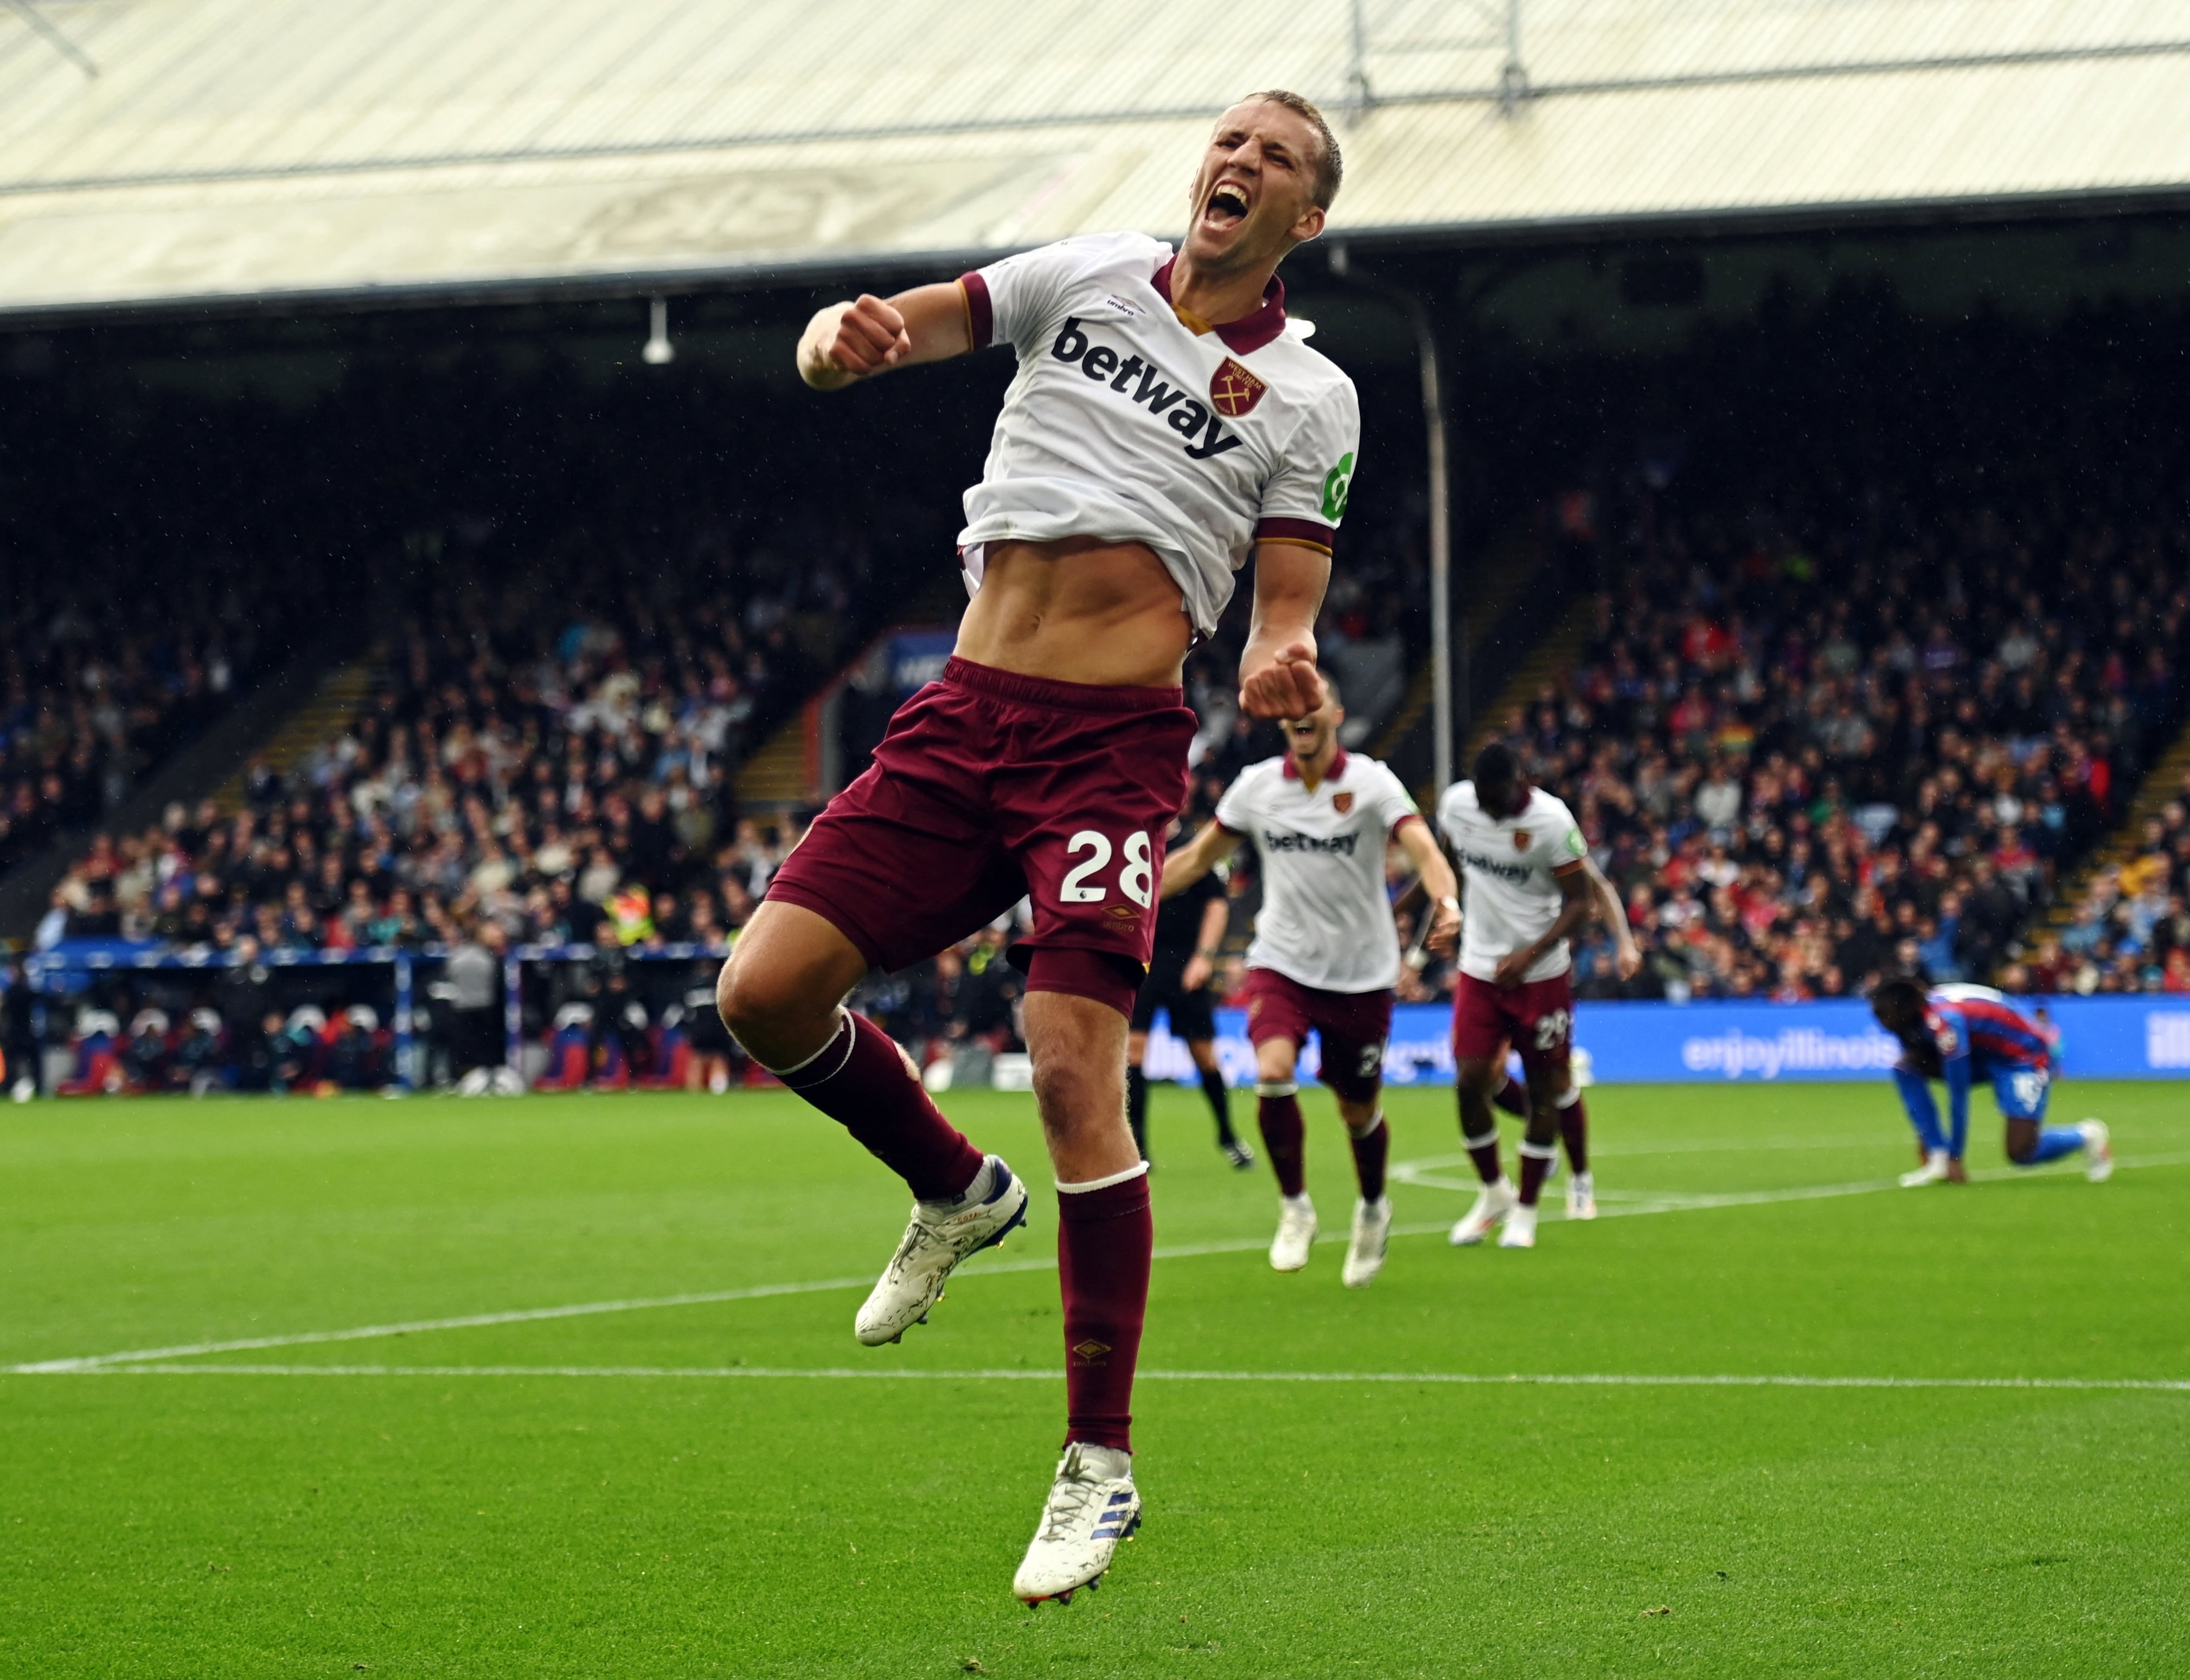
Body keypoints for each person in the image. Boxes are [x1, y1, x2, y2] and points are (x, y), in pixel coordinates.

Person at [714, 91, 1359, 1605]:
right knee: (761, 993)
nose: (1237, 161)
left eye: (1273, 157)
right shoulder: (1082, 277)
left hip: (1108, 748)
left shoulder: (1314, 397)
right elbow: (908, 323)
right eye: (1229, 140)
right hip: (960, 716)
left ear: (1304, 219)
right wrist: (834, 340)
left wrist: (1281, 661)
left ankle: (1097, 1466)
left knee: (1076, 1069)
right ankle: (954, 1189)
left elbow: (1283, 606)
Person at [1158, 676, 1457, 1286]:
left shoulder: (1371, 781)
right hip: (1283, 962)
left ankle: (1374, 1207)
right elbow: (1195, 858)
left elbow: (1422, 846)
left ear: (1335, 715)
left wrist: (1447, 900)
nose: (1302, 714)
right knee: (1271, 1072)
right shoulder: (1258, 787)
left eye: (1312, 703)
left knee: (1358, 1110)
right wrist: (1127, 898)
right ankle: (1295, 1206)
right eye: (1292, 707)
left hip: (1362, 973)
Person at [1437, 741, 1606, 1250]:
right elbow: (1445, 873)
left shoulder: (1552, 821)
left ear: (1521, 783)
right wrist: (1431, 920)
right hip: (1480, 971)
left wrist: (1530, 955)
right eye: (1483, 798)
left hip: (1542, 977)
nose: (1489, 808)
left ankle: (1527, 1211)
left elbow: (1581, 903)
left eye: (1498, 798)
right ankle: (1494, 1193)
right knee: (1470, 1082)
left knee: (1544, 1088)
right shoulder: (1457, 806)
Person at [1868, 977, 2111, 1185]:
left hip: (2023, 1056)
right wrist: (1929, 1139)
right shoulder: (1912, 1020)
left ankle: (2087, 1136)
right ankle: (1937, 1158)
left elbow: (1958, 1092)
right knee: (1906, 1068)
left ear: (1902, 1009)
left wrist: (1957, 1156)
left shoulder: (1945, 1022)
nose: (1880, 1023)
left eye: (1883, 1015)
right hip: (1984, 1053)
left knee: (2021, 1151)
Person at [1127, 790, 1253, 1170]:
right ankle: (1138, 1149)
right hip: (1144, 964)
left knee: (1204, 1056)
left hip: (1187, 963)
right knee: (1133, 1055)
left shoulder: (1197, 846)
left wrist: (1204, 957)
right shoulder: (1134, 846)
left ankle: (1228, 1135)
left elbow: (1217, 905)